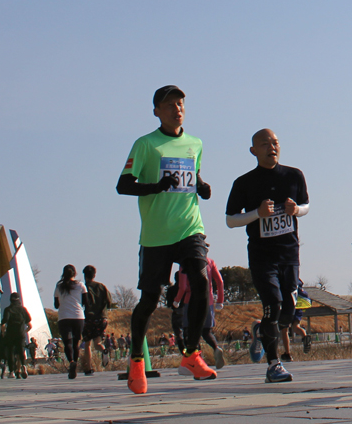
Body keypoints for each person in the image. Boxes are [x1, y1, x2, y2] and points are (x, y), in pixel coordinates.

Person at [116, 85, 216, 393]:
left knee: (201, 281)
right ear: (156, 111)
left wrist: (201, 186)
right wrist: (156, 186)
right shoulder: (146, 145)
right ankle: (136, 361)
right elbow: (123, 185)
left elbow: (192, 176)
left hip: (189, 227)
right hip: (157, 234)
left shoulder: (195, 143)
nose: (177, 109)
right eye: (170, 104)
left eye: (181, 103)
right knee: (148, 299)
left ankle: (191, 354)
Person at [225, 128, 309, 384]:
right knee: (273, 304)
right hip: (262, 256)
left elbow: (306, 206)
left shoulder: (294, 175)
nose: (271, 147)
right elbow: (230, 220)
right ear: (254, 151)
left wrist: (297, 210)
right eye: (264, 144)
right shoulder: (244, 182)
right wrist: (256, 214)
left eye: (275, 143)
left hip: (289, 254)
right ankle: (274, 365)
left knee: (288, 311)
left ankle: (261, 330)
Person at [176, 257, 226, 368]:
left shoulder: (185, 262)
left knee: (189, 331)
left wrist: (176, 300)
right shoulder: (210, 262)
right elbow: (220, 281)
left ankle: (197, 360)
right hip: (208, 301)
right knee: (206, 332)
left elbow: (183, 287)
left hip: (190, 301)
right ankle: (216, 348)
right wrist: (220, 301)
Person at [80, 265, 115, 375]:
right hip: (102, 318)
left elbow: (81, 303)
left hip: (89, 318)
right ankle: (104, 350)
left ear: (84, 275)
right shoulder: (102, 287)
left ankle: (89, 368)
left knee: (87, 344)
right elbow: (109, 302)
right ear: (94, 275)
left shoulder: (83, 288)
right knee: (98, 343)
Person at [54, 264, 87, 379]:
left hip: (64, 317)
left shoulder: (59, 286)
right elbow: (85, 302)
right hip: (78, 317)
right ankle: (76, 363)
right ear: (75, 273)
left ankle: (71, 361)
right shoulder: (81, 285)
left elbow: (56, 305)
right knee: (76, 343)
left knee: (67, 342)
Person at [2, 293, 31, 379]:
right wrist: (24, 331)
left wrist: (4, 333)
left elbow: (4, 323)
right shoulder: (23, 309)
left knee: (10, 352)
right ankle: (24, 366)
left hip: (10, 334)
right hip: (20, 333)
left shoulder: (8, 309)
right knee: (21, 351)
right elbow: (29, 325)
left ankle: (11, 372)